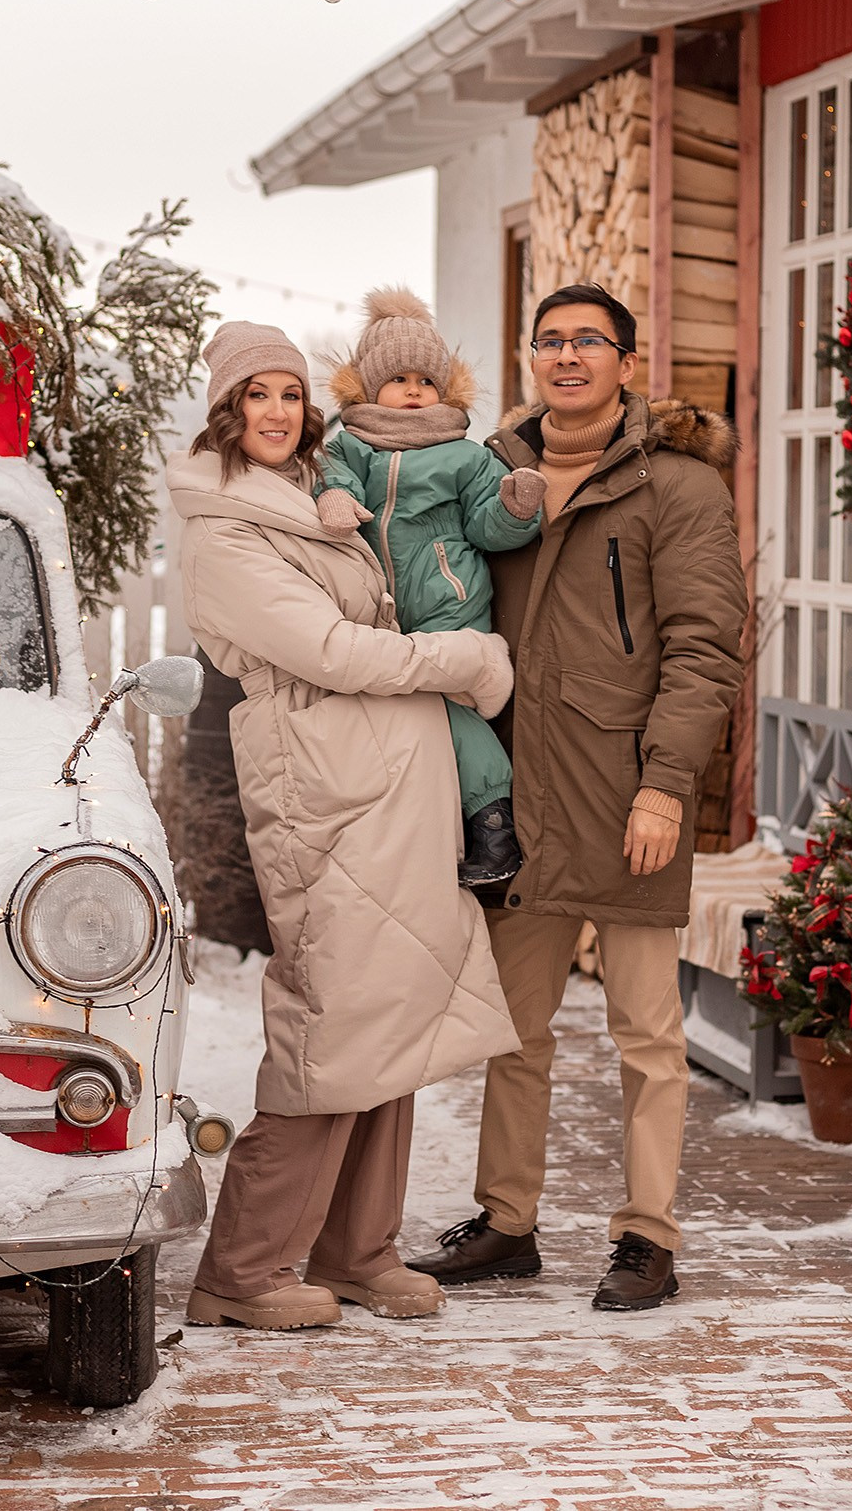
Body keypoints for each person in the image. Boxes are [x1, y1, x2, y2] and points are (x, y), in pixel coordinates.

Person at [167, 320, 522, 1330]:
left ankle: (358, 1247)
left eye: (288, 391)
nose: (275, 410)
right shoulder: (225, 528)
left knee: (395, 1008)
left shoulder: (313, 497)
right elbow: (329, 648)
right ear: (226, 411)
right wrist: (459, 661)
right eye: (254, 395)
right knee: (330, 1012)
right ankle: (243, 1265)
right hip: (321, 770)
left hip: (389, 775)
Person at [406, 282, 747, 1312]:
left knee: (645, 1029)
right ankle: (507, 1220)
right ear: (531, 359)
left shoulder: (677, 486)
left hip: (627, 790)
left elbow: (702, 648)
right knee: (516, 1025)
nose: (566, 356)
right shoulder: (490, 471)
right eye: (549, 340)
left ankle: (649, 1234)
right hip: (518, 792)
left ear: (626, 363)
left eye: (587, 341)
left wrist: (665, 786)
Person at [313, 287, 549, 891]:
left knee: (443, 705)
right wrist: (334, 497)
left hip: (450, 602)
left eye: (426, 379)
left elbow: (487, 528)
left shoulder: (464, 455)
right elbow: (330, 477)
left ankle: (494, 820)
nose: (414, 390)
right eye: (399, 379)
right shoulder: (351, 445)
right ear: (368, 389)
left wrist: (515, 510)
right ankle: (434, 831)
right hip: (379, 614)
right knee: (403, 719)